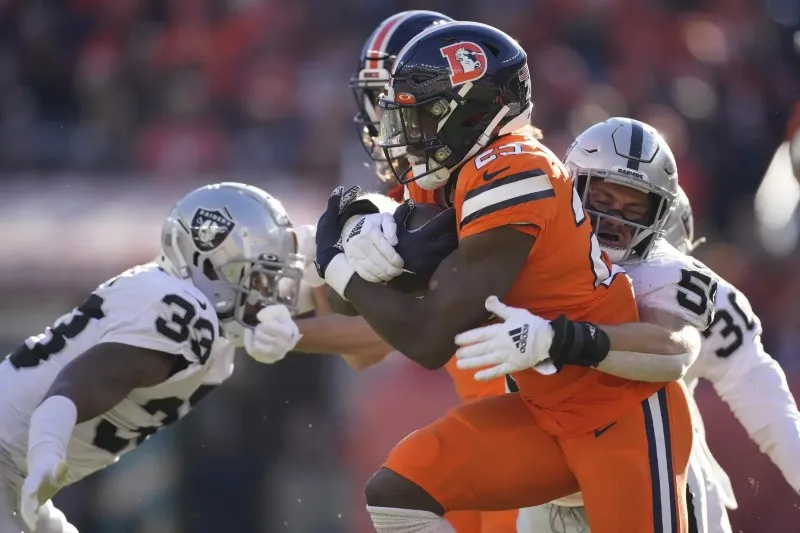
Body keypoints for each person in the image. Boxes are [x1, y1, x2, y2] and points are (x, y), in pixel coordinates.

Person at [313, 23, 696, 533]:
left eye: (425, 113)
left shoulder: (516, 170)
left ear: (473, 112)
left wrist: (341, 266)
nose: (410, 130)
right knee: (398, 493)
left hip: (617, 410)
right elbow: (351, 303)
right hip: (539, 410)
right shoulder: (456, 173)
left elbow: (429, 340)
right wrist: (364, 226)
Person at [1, 183, 305, 533]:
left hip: (15, 471)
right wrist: (46, 452)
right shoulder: (187, 315)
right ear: (212, 267)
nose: (269, 296)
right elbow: (74, 384)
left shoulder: (193, 316)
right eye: (260, 279)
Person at [507, 186, 800, 533]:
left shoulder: (687, 288)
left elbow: (762, 395)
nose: (614, 227)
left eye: (633, 213)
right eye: (603, 205)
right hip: (555, 482)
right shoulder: (537, 267)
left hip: (656, 471)